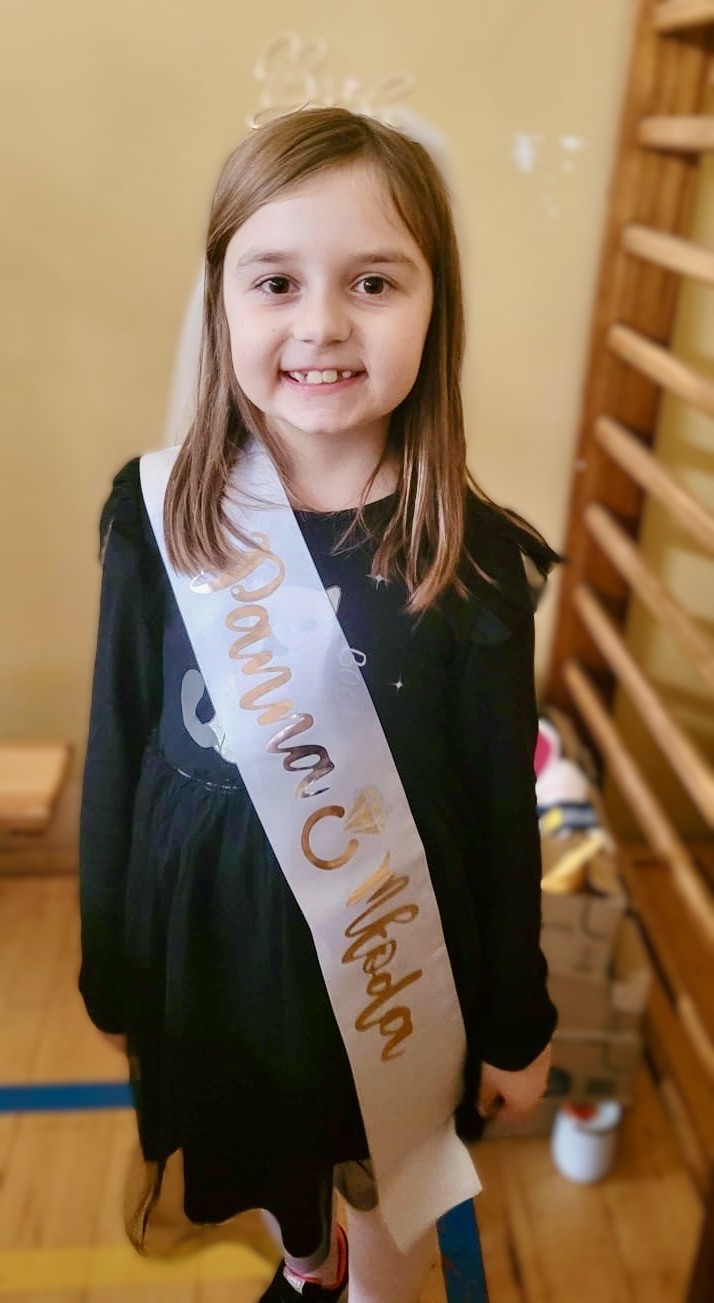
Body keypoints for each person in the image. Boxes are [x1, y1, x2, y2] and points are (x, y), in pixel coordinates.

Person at [79, 105, 559, 1303]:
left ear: (436, 304)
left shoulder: (474, 561)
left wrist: (518, 1021)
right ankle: (306, 1260)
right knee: (269, 1165)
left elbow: (502, 813)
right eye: (277, 282)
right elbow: (120, 746)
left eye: (374, 282)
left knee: (388, 1199)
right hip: (214, 957)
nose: (322, 324)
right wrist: (112, 962)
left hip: (398, 971)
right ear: (222, 302)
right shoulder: (156, 518)